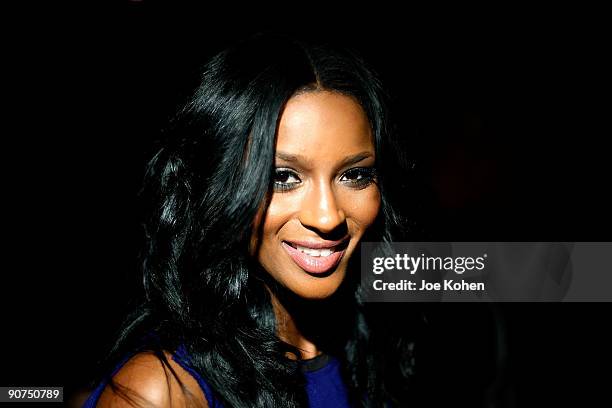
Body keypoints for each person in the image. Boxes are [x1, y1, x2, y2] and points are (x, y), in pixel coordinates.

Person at [84, 33, 417, 408]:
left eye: (354, 175)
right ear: (219, 185)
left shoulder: (377, 349)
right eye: (282, 177)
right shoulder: (163, 392)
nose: (327, 216)